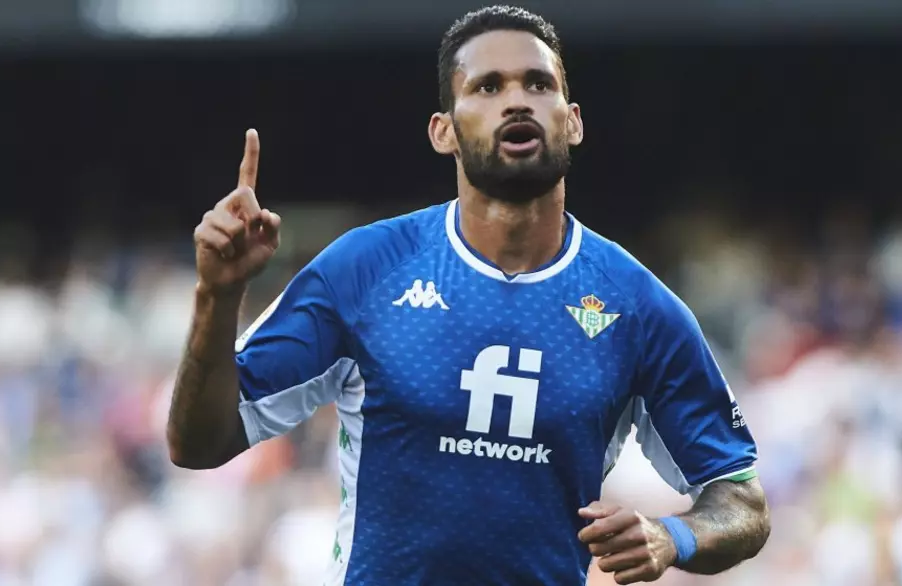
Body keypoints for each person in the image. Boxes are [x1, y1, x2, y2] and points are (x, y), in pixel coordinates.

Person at [166, 5, 770, 585]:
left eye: (538, 84)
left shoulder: (637, 307)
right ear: (444, 131)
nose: (517, 100)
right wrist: (217, 296)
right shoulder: (364, 270)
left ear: (573, 121)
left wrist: (674, 536)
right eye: (487, 87)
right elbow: (199, 442)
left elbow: (741, 500)